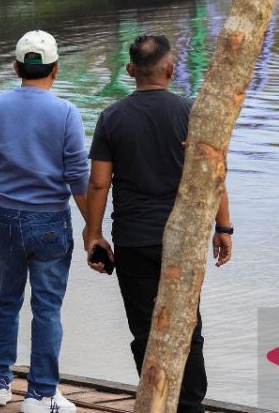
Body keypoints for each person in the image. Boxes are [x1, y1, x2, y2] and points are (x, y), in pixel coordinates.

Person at [85, 34, 233, 413]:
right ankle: (190, 405)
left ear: (130, 70)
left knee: (144, 329)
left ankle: (154, 401)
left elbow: (100, 182)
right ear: (170, 70)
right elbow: (213, 176)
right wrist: (223, 228)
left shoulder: (112, 117)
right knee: (188, 325)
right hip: (182, 239)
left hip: (133, 239)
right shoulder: (191, 113)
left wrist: (94, 232)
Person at [0, 30, 90, 413]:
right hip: (50, 219)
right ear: (56, 69)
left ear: (15, 67)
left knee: (5, 299)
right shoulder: (66, 113)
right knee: (47, 306)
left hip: (4, 216)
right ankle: (40, 393)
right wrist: (94, 228)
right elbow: (78, 177)